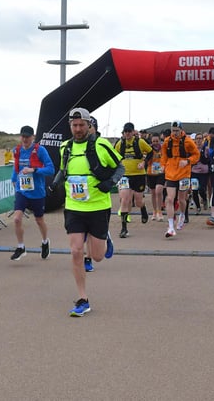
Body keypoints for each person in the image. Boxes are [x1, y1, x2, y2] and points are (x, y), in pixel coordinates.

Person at [56, 107, 124, 316]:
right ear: (70, 126)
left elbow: (120, 167)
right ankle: (82, 298)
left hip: (98, 207)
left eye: (81, 125)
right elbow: (63, 169)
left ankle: (104, 239)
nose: (77, 129)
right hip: (74, 207)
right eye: (74, 125)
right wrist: (55, 183)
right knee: (76, 251)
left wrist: (110, 183)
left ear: (89, 125)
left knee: (98, 256)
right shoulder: (65, 147)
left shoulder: (101, 145)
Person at [10, 125, 55, 260]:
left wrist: (34, 170)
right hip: (22, 191)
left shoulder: (40, 150)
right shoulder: (17, 150)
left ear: (33, 137)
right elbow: (16, 167)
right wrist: (13, 179)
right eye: (22, 136)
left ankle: (45, 242)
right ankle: (21, 247)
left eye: (27, 136)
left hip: (37, 192)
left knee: (39, 220)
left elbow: (51, 169)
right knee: (17, 218)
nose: (24, 139)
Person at [160, 120, 200, 238]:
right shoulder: (167, 141)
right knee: (169, 199)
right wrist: (163, 166)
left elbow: (196, 155)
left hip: (184, 173)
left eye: (177, 131)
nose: (175, 133)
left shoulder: (188, 141)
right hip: (171, 173)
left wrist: (187, 161)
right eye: (173, 131)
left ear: (181, 130)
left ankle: (182, 214)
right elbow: (164, 155)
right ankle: (171, 226)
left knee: (182, 199)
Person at [114, 122, 152, 238]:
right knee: (125, 199)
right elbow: (114, 156)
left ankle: (143, 208)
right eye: (126, 132)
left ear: (133, 132)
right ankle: (124, 228)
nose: (127, 134)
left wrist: (144, 162)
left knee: (139, 200)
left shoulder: (140, 142)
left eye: (129, 132)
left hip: (139, 175)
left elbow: (150, 152)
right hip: (125, 175)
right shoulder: (120, 143)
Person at [145, 133, 165, 221]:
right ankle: (154, 211)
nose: (155, 143)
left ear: (159, 141)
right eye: (153, 141)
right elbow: (145, 160)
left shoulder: (163, 149)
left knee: (159, 190)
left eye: (157, 141)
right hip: (150, 173)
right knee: (153, 193)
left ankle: (160, 211)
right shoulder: (149, 150)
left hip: (161, 173)